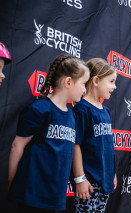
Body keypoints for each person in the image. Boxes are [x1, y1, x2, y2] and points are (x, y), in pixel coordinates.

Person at [8, 54, 90, 213]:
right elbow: (17, 146)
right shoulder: (40, 109)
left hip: (55, 197)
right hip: (31, 195)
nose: (85, 90)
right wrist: (11, 182)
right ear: (68, 82)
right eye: (83, 84)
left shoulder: (72, 114)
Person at [72, 58, 117, 213]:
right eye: (111, 81)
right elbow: (75, 145)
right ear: (96, 80)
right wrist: (80, 178)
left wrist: (112, 173)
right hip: (88, 181)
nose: (114, 86)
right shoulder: (82, 109)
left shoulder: (106, 111)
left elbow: (107, 147)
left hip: (105, 179)